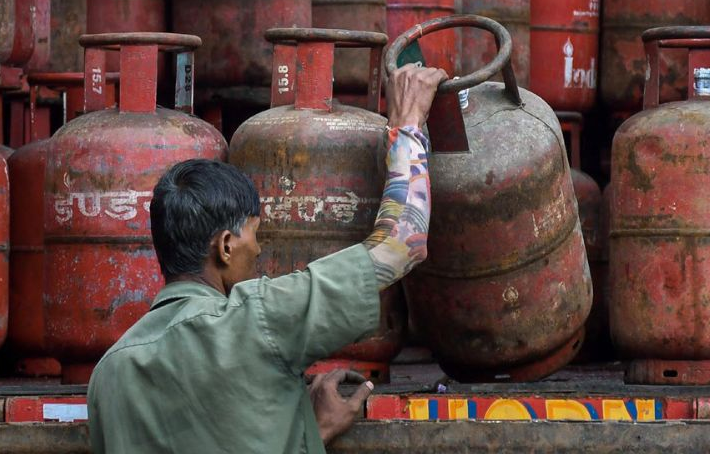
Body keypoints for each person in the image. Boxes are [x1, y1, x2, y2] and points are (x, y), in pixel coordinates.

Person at [87, 62, 449, 453]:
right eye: (254, 235)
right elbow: (401, 244)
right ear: (225, 246)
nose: (258, 250)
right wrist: (408, 124)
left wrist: (303, 428)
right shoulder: (256, 321)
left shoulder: (110, 373)